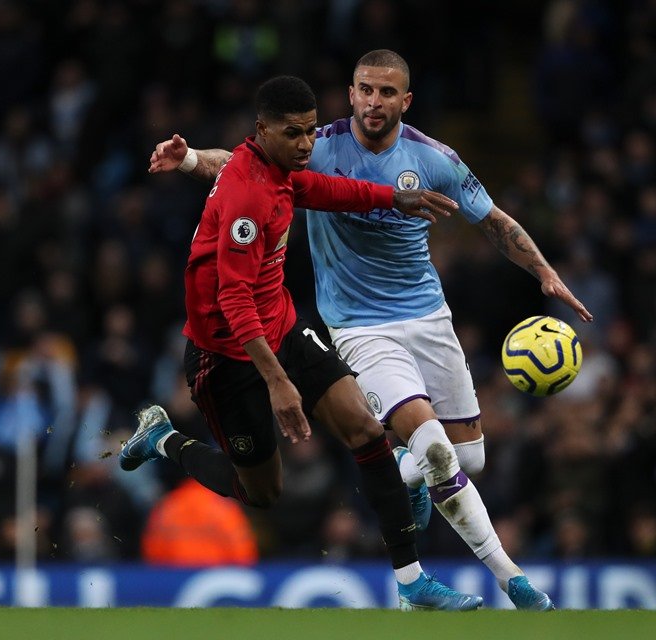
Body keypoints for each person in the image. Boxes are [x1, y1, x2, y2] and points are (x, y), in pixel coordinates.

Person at [148, 49, 594, 611]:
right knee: (313, 475)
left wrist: (544, 271)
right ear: (352, 94)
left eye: (387, 93)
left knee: (453, 456)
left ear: (405, 100)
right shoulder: (298, 160)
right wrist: (190, 161)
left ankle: (409, 506)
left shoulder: (427, 158)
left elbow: (481, 217)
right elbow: (237, 197)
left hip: (411, 317)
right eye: (365, 90)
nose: (373, 102)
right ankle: (513, 582)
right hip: (320, 334)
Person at [122, 75, 483, 610]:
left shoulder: (279, 170)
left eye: (312, 132)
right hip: (227, 355)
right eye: (294, 134)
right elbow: (233, 299)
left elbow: (325, 189)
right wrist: (279, 383)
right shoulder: (247, 195)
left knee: (364, 426)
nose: (307, 145)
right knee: (262, 492)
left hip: (282, 327)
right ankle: (163, 440)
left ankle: (411, 582)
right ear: (261, 130)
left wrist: (392, 197)